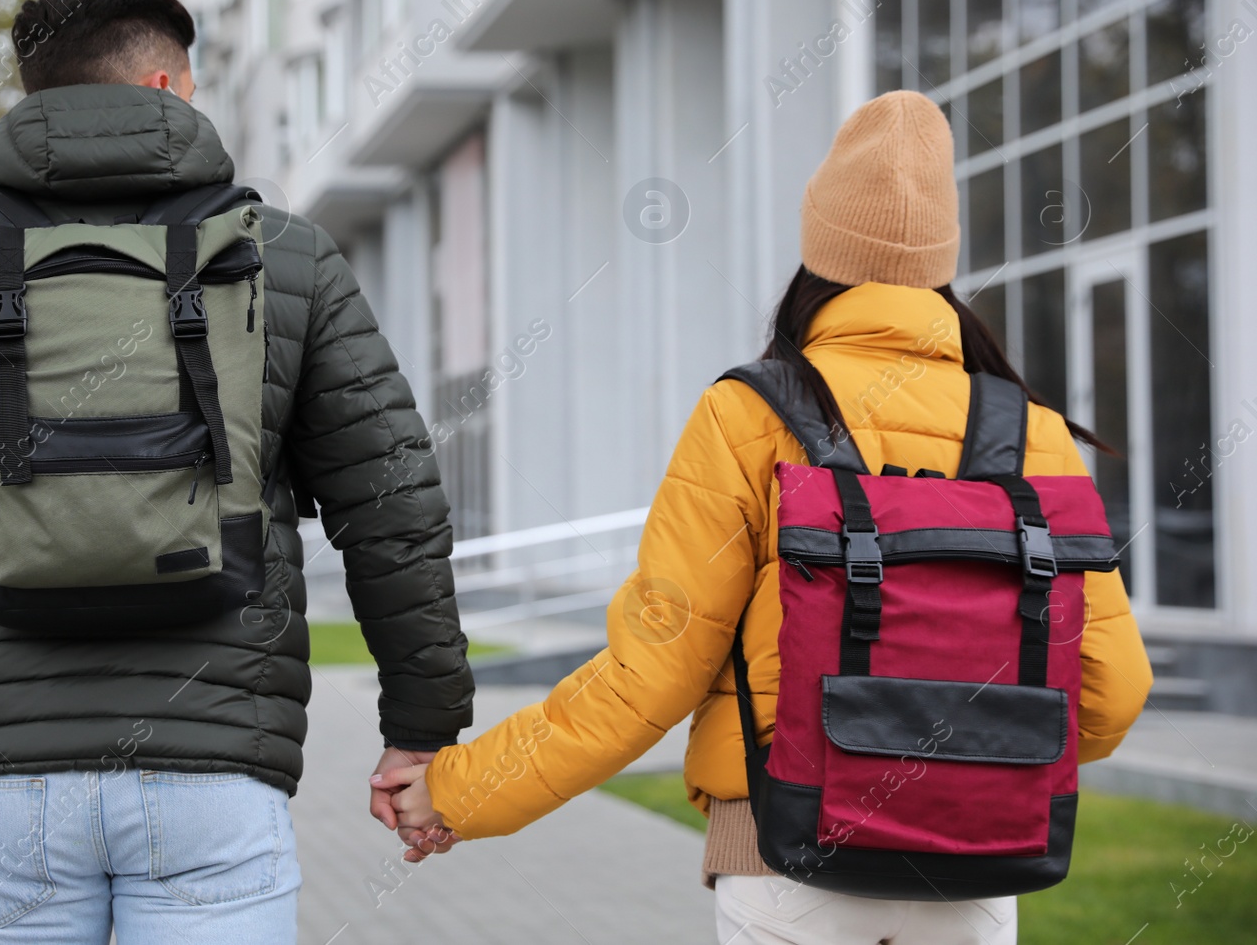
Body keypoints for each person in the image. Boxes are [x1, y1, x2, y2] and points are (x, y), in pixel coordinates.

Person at [372, 90, 1153, 944]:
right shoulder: (1030, 432)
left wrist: (461, 788)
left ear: (818, 248)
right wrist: (969, 767)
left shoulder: (753, 411)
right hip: (975, 871)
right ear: (940, 260)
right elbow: (1115, 691)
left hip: (784, 855)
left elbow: (652, 674)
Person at [0, 0, 474, 943]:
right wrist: (423, 729)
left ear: (37, 96)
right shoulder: (286, 258)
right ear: (166, 84)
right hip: (215, 763)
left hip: (5, 777)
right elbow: (394, 514)